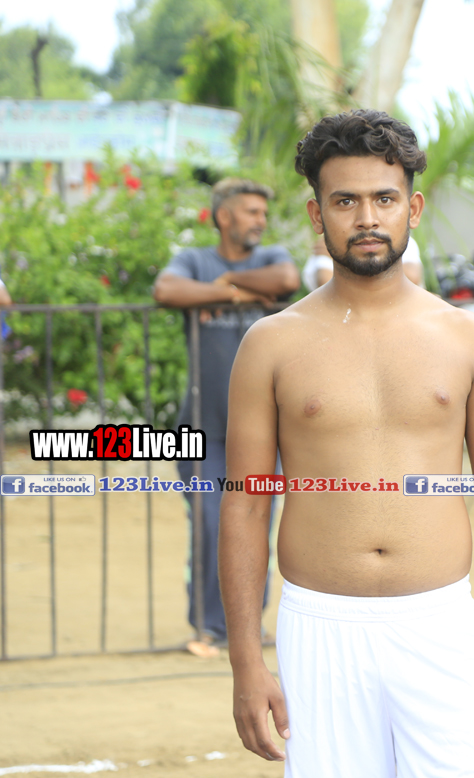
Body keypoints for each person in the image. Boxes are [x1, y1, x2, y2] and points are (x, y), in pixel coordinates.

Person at [219, 109, 474, 778]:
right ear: (317, 215)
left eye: (384, 198)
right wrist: (246, 660)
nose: (367, 217)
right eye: (345, 201)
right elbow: (244, 507)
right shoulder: (270, 345)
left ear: (412, 209)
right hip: (319, 627)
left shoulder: (467, 338)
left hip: (439, 624)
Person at [152, 177, 299, 658]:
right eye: (252, 212)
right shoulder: (195, 260)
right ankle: (210, 627)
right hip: (201, 428)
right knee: (210, 523)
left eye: (263, 213)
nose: (260, 221)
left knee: (257, 525)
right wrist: (236, 295)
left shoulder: (270, 256)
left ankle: (249, 626)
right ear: (224, 216)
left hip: (263, 433)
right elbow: (166, 289)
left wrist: (223, 287)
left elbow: (286, 280)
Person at [302, 230, 423, 290]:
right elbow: (325, 283)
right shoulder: (327, 247)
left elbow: (411, 279)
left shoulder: (399, 241)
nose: (368, 220)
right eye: (347, 202)